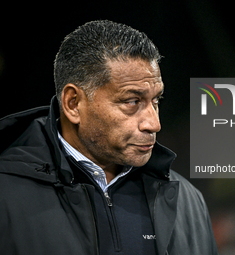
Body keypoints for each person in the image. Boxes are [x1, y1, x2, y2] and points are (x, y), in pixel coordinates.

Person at [0, 20, 218, 255]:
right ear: (73, 104)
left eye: (156, 101)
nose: (154, 123)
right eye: (132, 101)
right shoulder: (6, 194)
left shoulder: (187, 200)